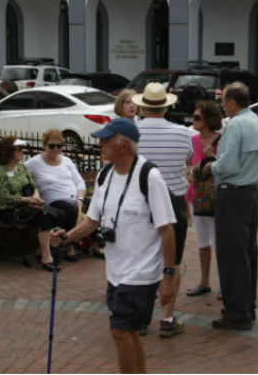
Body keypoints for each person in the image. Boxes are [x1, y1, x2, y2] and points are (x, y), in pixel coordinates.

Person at [50, 118, 176, 373]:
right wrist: (68, 236)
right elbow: (93, 220)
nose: (100, 144)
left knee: (120, 330)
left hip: (141, 273)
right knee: (128, 333)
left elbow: (167, 229)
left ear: (124, 145)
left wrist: (169, 275)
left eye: (106, 140)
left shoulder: (149, 176)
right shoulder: (105, 175)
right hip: (116, 271)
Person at [201, 81, 258, 330]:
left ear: (232, 102)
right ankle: (246, 307)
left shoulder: (235, 125)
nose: (222, 106)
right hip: (252, 194)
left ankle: (236, 313)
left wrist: (211, 166)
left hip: (232, 194)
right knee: (247, 253)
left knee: (232, 256)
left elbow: (228, 165)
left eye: (224, 101)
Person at [135, 82, 192, 338]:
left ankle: (140, 317)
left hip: (141, 201)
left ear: (143, 106)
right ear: (166, 107)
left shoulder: (132, 132)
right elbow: (188, 161)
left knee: (141, 260)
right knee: (174, 261)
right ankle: (168, 318)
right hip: (173, 201)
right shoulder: (183, 133)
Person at [25, 129, 99, 262]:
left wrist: (80, 199)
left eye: (59, 146)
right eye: (51, 146)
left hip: (74, 198)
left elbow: (80, 182)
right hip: (53, 201)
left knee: (95, 207)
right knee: (70, 210)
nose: (55, 149)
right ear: (45, 145)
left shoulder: (66, 161)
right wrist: (33, 192)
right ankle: (69, 246)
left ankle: (95, 245)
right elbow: (19, 175)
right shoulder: (34, 163)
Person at [0, 136, 56, 271]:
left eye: (22, 149)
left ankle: (42, 250)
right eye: (19, 149)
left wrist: (35, 197)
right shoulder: (0, 171)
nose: (22, 152)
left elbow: (33, 186)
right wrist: (27, 200)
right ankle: (47, 257)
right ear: (9, 151)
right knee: (44, 214)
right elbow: (5, 198)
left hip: (30, 206)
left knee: (55, 212)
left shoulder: (21, 167)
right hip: (12, 211)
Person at [184, 100, 223, 297]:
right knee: (202, 242)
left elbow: (225, 170)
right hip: (196, 198)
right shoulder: (193, 141)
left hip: (216, 199)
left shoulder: (222, 140)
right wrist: (189, 174)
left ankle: (225, 283)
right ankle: (204, 281)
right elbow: (189, 167)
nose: (194, 120)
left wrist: (211, 157)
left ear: (208, 120)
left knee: (219, 243)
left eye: (198, 117)